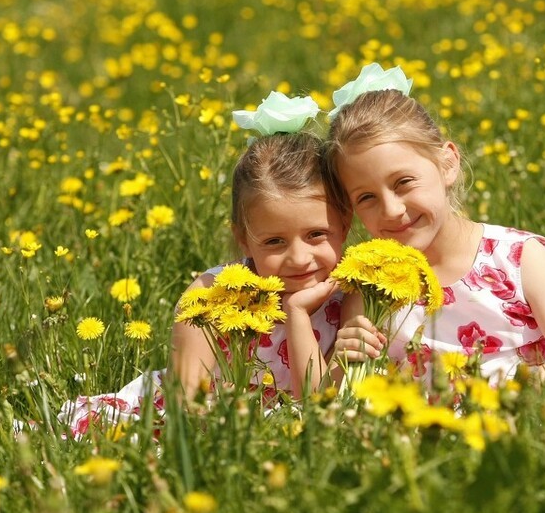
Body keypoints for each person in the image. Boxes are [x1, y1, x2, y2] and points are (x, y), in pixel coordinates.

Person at [59, 92, 352, 439]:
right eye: (275, 241)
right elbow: (185, 404)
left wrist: (299, 314)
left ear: (345, 225)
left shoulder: (350, 296)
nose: (299, 258)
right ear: (243, 239)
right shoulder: (212, 295)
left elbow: (320, 405)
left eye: (316, 234)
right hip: (202, 424)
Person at [325, 63, 545, 384]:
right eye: (366, 198)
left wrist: (509, 398)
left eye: (403, 182)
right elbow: (349, 393)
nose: (391, 210)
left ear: (447, 164)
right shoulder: (370, 288)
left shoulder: (519, 259)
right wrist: (342, 360)